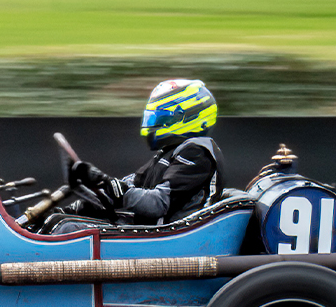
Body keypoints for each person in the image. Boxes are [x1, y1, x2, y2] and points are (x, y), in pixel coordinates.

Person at [55, 79, 224, 229]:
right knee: (60, 221)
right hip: (155, 231)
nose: (154, 124)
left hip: (171, 238)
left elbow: (157, 204)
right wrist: (77, 206)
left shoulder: (197, 154)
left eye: (162, 118)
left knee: (68, 229)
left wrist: (110, 185)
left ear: (187, 117)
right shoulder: (169, 152)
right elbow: (131, 184)